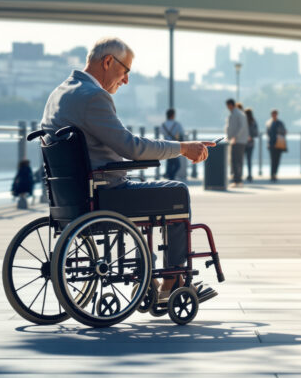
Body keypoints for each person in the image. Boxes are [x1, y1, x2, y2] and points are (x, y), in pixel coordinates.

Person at [40, 37, 215, 302]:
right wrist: (182, 147)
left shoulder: (58, 93)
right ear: (108, 61)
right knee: (177, 192)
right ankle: (172, 280)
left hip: (70, 196)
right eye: (125, 71)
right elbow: (132, 147)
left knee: (151, 193)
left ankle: (149, 276)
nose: (126, 80)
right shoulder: (93, 96)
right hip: (104, 194)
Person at [225, 98, 249, 188]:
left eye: (228, 106)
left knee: (236, 161)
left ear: (230, 105)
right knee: (235, 161)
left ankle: (238, 181)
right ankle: (237, 180)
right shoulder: (234, 113)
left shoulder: (238, 114)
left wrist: (235, 137)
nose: (227, 108)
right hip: (234, 141)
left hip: (238, 141)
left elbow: (242, 127)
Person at [161, 108, 184, 181]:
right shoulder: (177, 124)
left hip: (165, 146)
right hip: (174, 146)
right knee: (177, 165)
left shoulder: (163, 125)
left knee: (170, 163)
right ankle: (171, 177)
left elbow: (162, 134)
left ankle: (169, 176)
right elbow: (181, 134)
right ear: (173, 115)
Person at [266, 110, 287, 182]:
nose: (274, 115)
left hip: (278, 144)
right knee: (272, 160)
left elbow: (283, 131)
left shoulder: (280, 123)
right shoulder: (269, 123)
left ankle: (275, 173)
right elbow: (268, 134)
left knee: (277, 160)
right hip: (272, 144)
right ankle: (272, 174)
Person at [244, 108, 259, 183]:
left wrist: (248, 136)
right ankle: (249, 175)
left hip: (244, 143)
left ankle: (245, 175)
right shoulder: (254, 121)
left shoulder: (244, 121)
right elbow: (256, 133)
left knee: (242, 160)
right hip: (250, 143)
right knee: (249, 160)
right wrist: (251, 136)